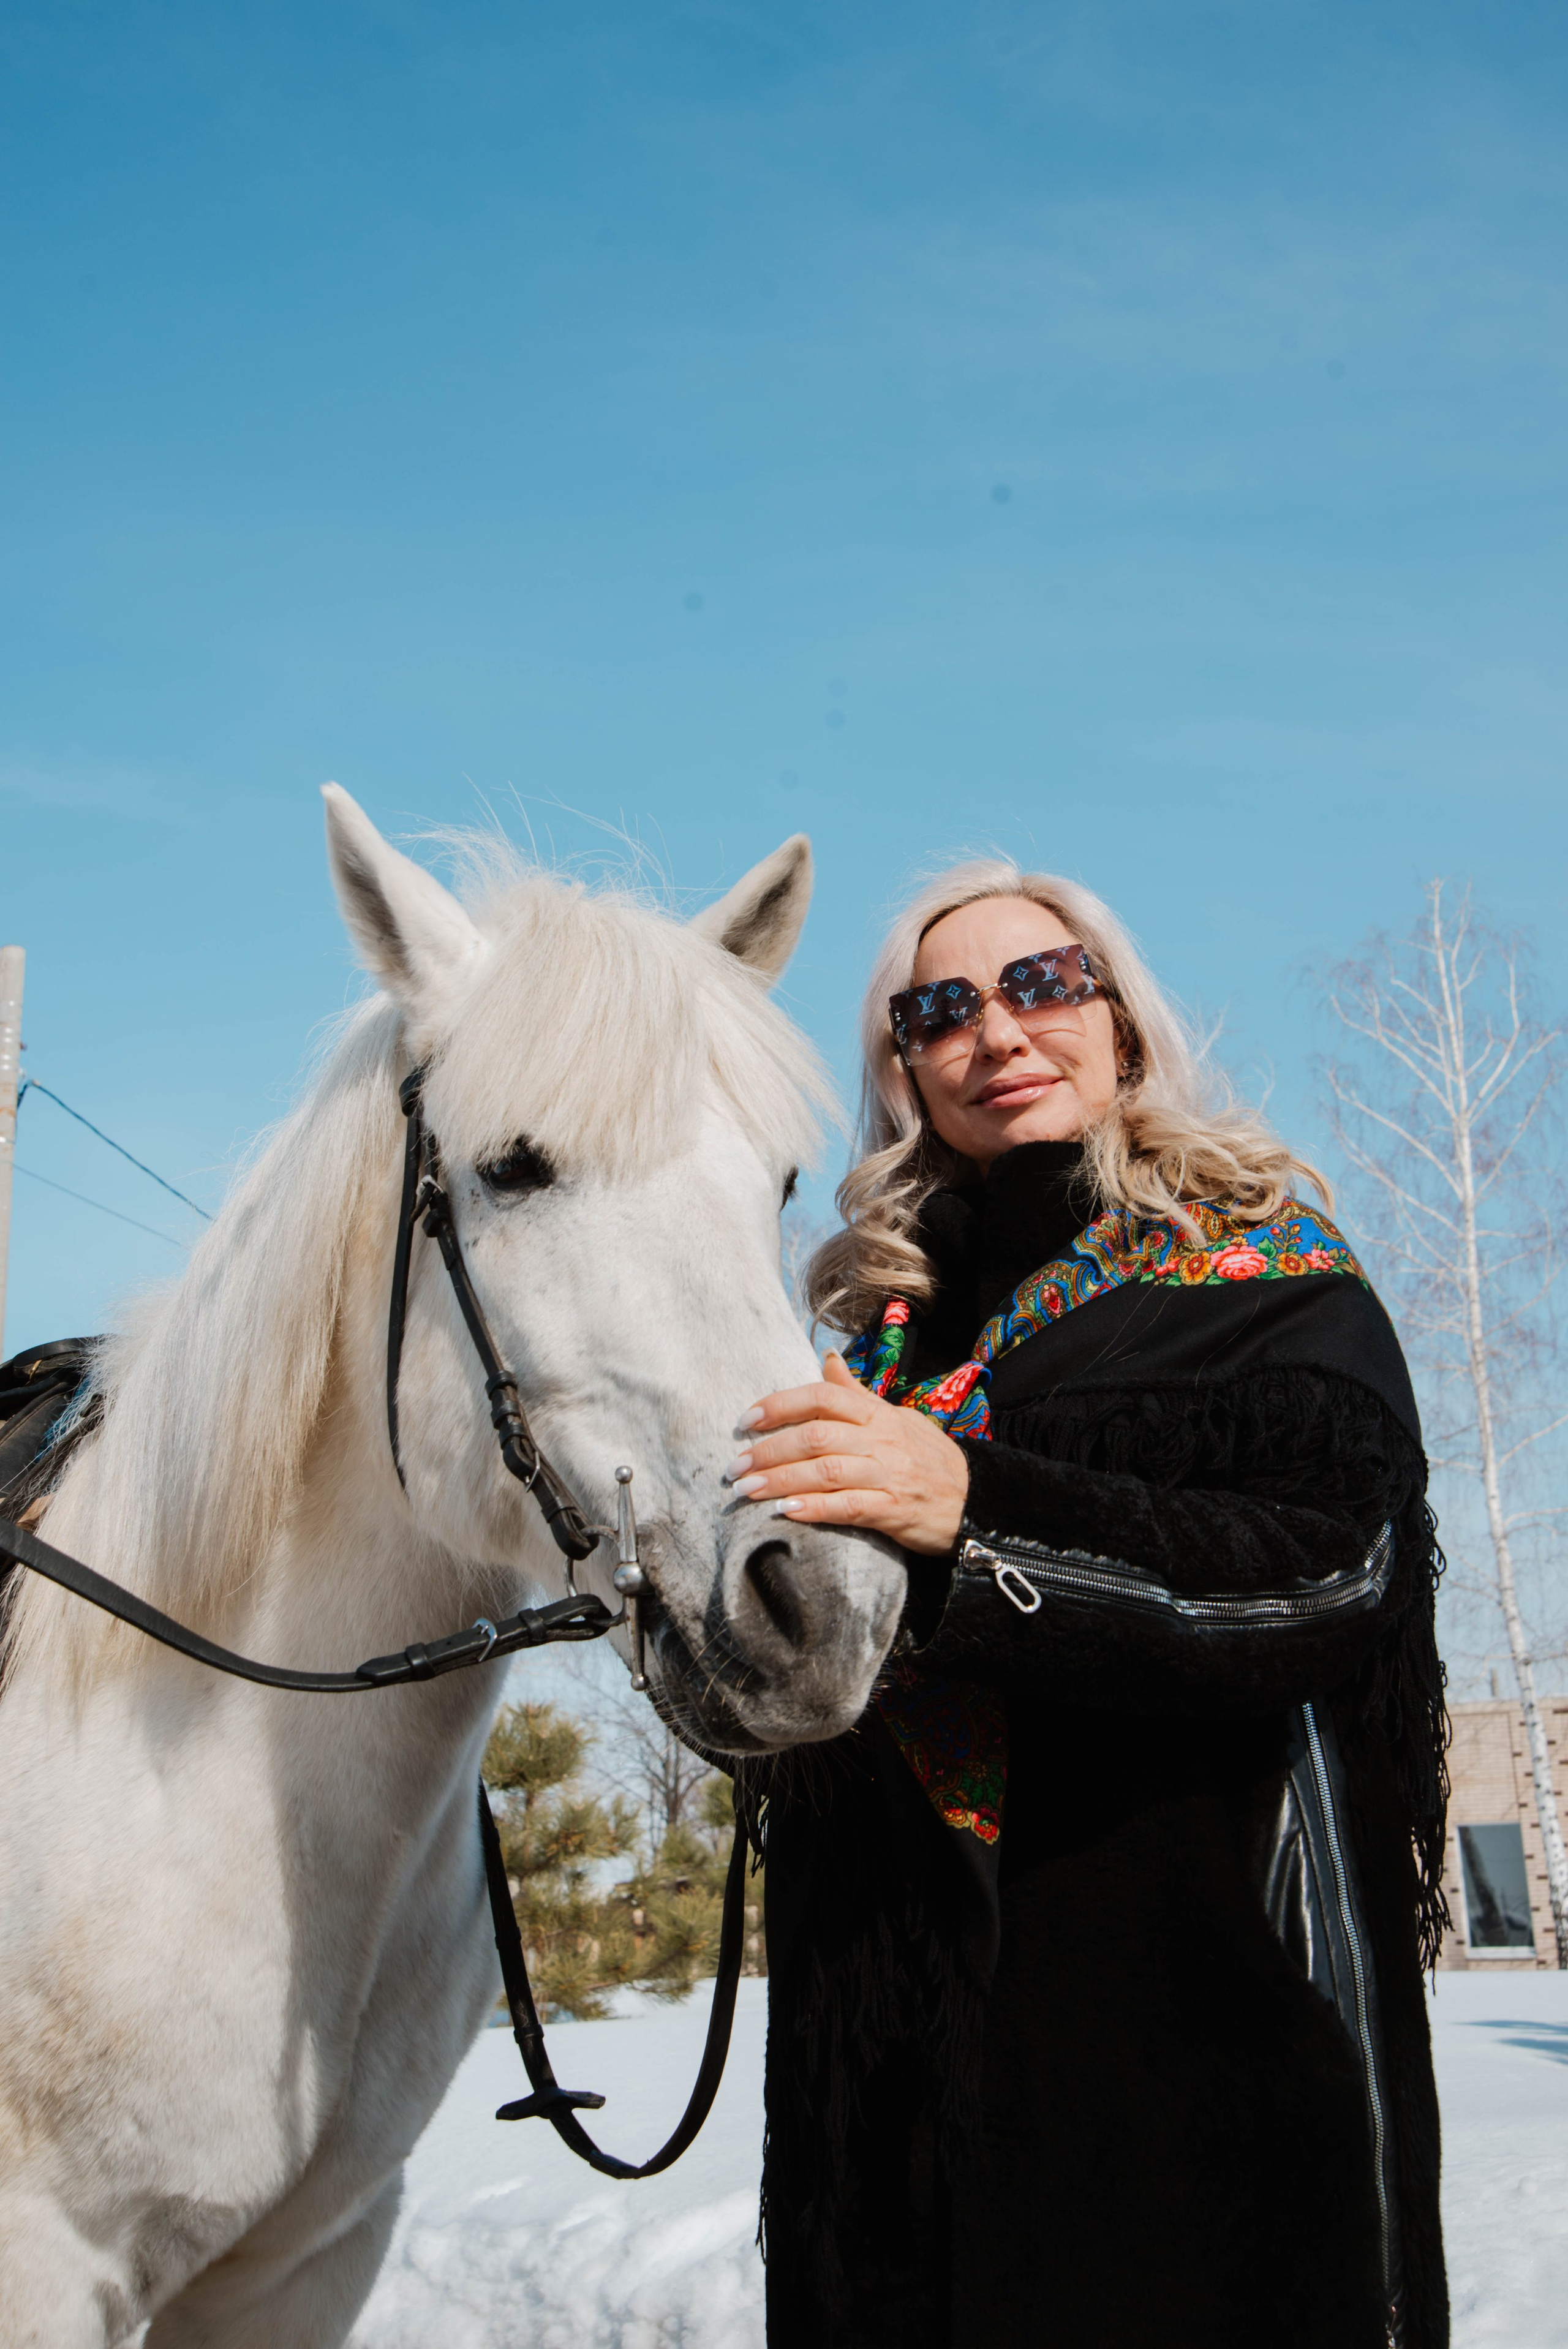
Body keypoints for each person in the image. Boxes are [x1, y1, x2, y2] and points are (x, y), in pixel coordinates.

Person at [724, 863, 1447, 2349]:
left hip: (1195, 2055)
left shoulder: (1265, 1277)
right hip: (906, 2100)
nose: (995, 1032)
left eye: (1042, 984)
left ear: (1119, 1021)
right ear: (902, 1070)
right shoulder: (870, 1356)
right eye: (938, 1010)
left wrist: (965, 1508)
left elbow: (1323, 1578)